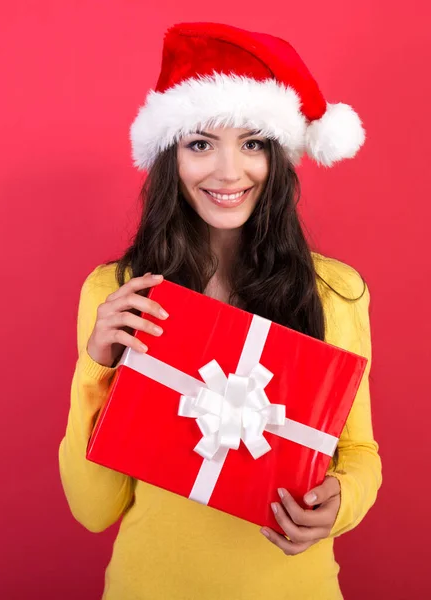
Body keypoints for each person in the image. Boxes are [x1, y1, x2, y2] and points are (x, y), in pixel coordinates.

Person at [58, 22, 382, 600]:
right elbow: (92, 508)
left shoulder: (334, 291)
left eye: (253, 143)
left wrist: (343, 502)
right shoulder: (120, 292)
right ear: (169, 155)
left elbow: (357, 452)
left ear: (278, 158)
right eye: (200, 143)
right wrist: (96, 368)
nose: (228, 172)